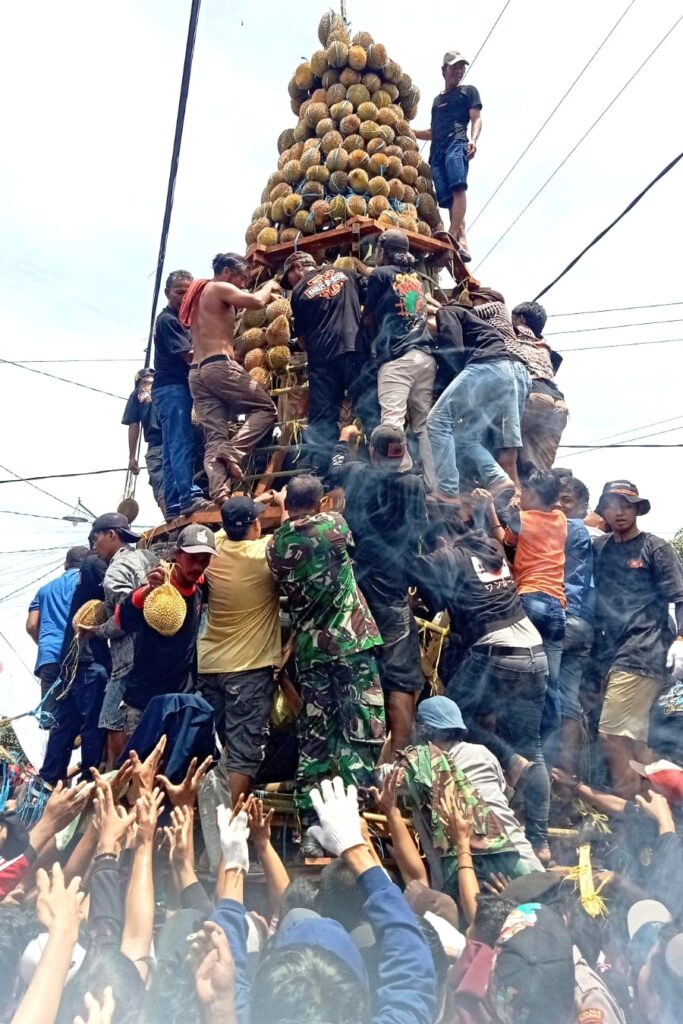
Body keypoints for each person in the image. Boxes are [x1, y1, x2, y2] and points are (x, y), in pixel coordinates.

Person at [411, 514, 551, 860]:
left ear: (440, 541)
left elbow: (410, 569)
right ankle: (541, 841)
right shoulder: (490, 550)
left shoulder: (449, 555)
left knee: (451, 720)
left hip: (495, 649)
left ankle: (509, 760)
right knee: (533, 746)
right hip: (534, 651)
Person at [265, 475, 386, 841]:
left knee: (316, 735)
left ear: (289, 505)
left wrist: (283, 504)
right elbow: (342, 520)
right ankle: (355, 817)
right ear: (320, 504)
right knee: (360, 729)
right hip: (350, 643)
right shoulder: (333, 525)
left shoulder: (275, 545)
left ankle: (312, 823)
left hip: (311, 652)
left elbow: (290, 532)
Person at [329, 423, 428, 752]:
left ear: (372, 451)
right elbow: (419, 536)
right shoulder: (413, 484)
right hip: (392, 593)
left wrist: (345, 440)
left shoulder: (358, 473)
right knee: (401, 675)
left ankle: (353, 750)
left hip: (356, 590)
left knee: (353, 670)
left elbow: (334, 467)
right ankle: (398, 758)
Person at [593, 480, 683, 797]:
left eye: (626, 506)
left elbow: (680, 597)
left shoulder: (654, 548)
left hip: (644, 649)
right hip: (614, 653)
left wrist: (681, 640)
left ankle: (627, 813)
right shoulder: (600, 549)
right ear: (603, 511)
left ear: (636, 510)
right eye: (611, 506)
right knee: (633, 741)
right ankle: (662, 802)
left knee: (612, 736)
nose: (618, 512)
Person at [197, 495, 283, 805]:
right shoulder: (265, 552)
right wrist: (282, 507)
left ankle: (212, 819)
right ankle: (231, 830)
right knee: (243, 752)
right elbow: (289, 542)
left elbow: (224, 528)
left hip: (209, 666)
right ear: (256, 525)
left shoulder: (214, 548)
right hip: (247, 669)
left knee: (220, 746)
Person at [39, 517, 133, 785]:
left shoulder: (63, 582)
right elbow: (120, 605)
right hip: (92, 660)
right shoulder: (96, 564)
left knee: (64, 723)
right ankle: (90, 780)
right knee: (93, 723)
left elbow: (33, 625)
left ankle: (49, 781)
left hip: (69, 659)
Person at [181, 252, 281, 504]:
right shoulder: (218, 287)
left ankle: (220, 495)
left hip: (196, 372)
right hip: (218, 366)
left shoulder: (197, 298)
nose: (244, 284)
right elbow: (258, 302)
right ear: (226, 272)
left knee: (214, 437)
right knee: (265, 409)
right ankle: (232, 451)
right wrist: (270, 284)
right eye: (242, 278)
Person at [481, 471, 567, 740]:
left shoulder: (522, 519)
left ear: (531, 494)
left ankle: (510, 728)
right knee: (550, 680)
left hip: (530, 598)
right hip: (558, 607)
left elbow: (504, 543)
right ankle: (547, 734)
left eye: (523, 492)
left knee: (514, 669)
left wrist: (491, 511)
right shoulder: (561, 519)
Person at [415, 696, 544, 871]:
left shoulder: (422, 765)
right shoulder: (483, 753)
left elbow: (383, 778)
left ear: (422, 731)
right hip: (525, 856)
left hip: (491, 871)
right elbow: (504, 797)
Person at [427, 296, 530, 504]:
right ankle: (498, 479)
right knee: (465, 438)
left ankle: (447, 490)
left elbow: (452, 350)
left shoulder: (447, 312)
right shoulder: (476, 324)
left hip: (488, 367)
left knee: (437, 421)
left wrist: (439, 388)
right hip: (512, 374)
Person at [116, 524, 216, 735]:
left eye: (204, 559)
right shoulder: (156, 588)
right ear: (176, 554)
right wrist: (146, 592)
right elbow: (122, 619)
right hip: (144, 703)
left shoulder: (198, 587)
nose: (198, 565)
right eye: (192, 557)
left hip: (180, 701)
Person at [357, 229, 437, 492]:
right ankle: (432, 484)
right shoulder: (415, 279)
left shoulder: (380, 275)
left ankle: (398, 481)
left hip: (398, 359)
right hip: (425, 357)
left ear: (382, 251)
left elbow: (368, 317)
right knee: (424, 424)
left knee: (392, 422)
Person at [285, 251, 364, 477]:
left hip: (323, 360)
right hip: (355, 348)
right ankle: (379, 459)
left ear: (298, 267)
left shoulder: (299, 291)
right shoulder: (347, 273)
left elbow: (302, 339)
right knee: (368, 407)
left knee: (322, 418)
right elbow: (369, 303)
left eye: (288, 276)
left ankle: (322, 472)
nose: (290, 283)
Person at [151, 269, 209, 521]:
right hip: (172, 390)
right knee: (180, 442)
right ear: (167, 293)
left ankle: (174, 502)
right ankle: (188, 496)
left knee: (171, 446)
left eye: (188, 293)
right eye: (178, 292)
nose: (184, 297)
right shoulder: (169, 321)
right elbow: (189, 356)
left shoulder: (183, 319)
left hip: (168, 391)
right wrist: (222, 358)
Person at [414, 50, 482, 260]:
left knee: (458, 187)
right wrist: (411, 132)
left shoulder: (468, 91)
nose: (459, 71)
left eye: (462, 67)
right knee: (448, 198)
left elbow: (476, 119)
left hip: (457, 142)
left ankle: (454, 235)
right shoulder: (437, 101)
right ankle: (462, 241)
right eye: (454, 67)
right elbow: (433, 132)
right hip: (437, 151)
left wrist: (473, 140)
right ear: (444, 70)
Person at [555, 475, 595, 774]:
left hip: (562, 620)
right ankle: (565, 776)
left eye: (565, 500)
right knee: (568, 702)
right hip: (583, 625)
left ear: (583, 507)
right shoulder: (595, 535)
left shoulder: (570, 527)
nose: (557, 505)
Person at [26, 546, 88, 713]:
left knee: (52, 718)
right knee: (79, 716)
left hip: (49, 659)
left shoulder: (44, 590)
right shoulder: (86, 584)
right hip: (78, 658)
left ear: (65, 564)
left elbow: (31, 625)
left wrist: (45, 644)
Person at [511, 300, 568, 472]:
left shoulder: (514, 332)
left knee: (498, 443)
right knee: (539, 471)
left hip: (533, 396)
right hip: (558, 403)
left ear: (521, 319)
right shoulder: (544, 344)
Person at [121, 367, 164, 514]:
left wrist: (132, 457)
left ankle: (172, 521)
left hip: (156, 445)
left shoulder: (136, 394)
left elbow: (134, 424)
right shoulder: (168, 386)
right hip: (180, 441)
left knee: (160, 484)